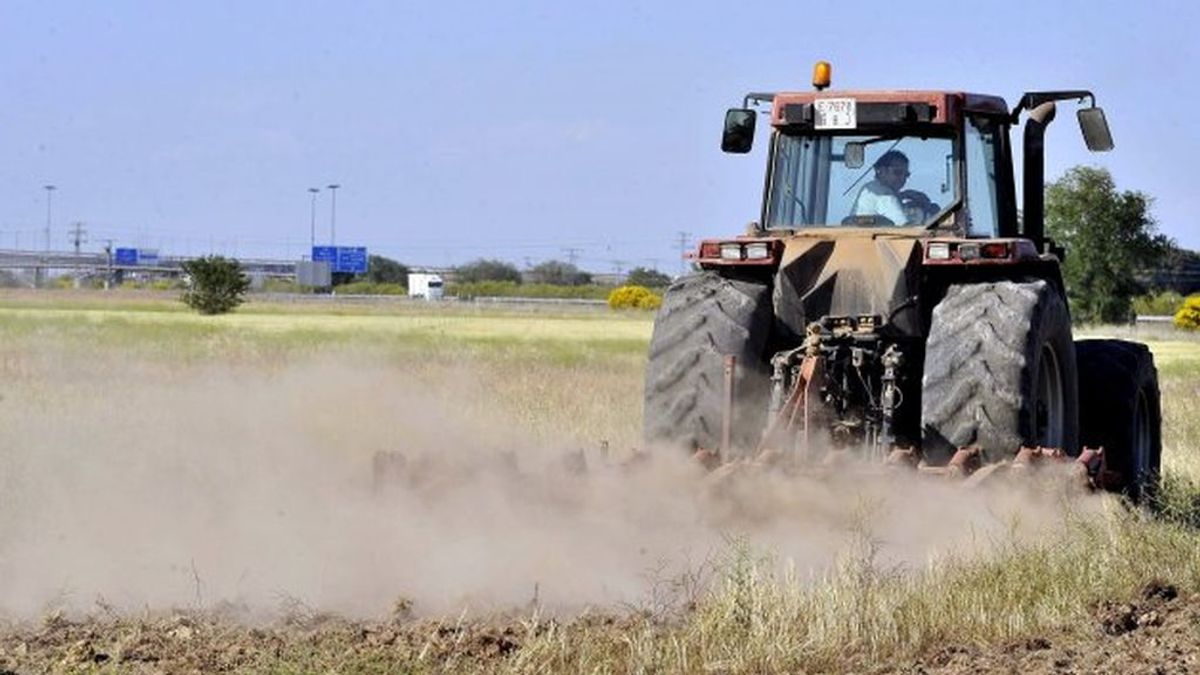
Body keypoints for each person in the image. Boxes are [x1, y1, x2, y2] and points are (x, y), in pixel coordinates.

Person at [851, 150, 912, 225]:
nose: (903, 178)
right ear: (881, 171)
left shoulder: (870, 188)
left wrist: (904, 197)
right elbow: (905, 227)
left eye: (906, 174)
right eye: (897, 172)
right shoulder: (883, 194)